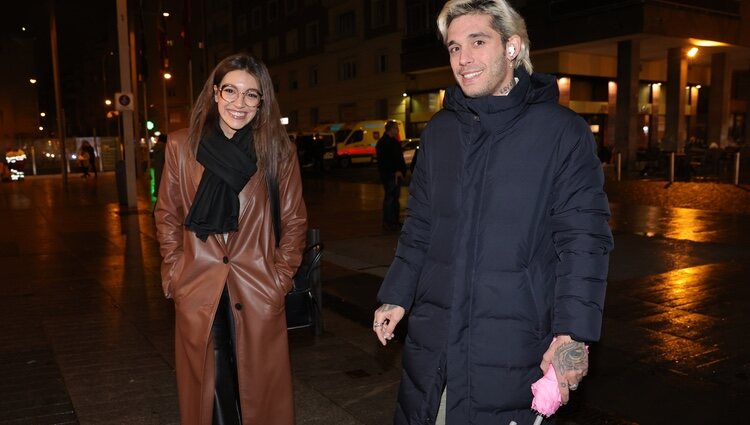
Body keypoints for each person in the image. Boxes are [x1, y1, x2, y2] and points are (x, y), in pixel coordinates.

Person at [372, 1, 614, 424]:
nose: (463, 59)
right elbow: (421, 226)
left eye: (477, 42)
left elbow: (583, 241)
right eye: (453, 47)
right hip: (434, 338)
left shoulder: (561, 132)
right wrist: (396, 293)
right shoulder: (440, 132)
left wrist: (571, 336)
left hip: (514, 342)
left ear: (512, 47)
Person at [154, 53, 307, 425]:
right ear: (215, 94)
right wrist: (175, 274)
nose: (240, 103)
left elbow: (295, 220)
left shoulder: (277, 149)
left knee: (257, 394)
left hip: (255, 286)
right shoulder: (180, 145)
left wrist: (279, 279)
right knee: (211, 390)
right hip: (197, 283)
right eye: (231, 91)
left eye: (251, 95)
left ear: (262, 101)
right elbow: (167, 215)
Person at [376, 120, 407, 231]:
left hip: (395, 175)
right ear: (390, 129)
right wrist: (395, 171)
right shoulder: (384, 143)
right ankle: (388, 222)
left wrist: (401, 171)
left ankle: (393, 221)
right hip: (390, 176)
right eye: (396, 128)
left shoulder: (393, 142)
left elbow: (399, 159)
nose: (397, 130)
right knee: (390, 198)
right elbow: (384, 161)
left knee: (394, 198)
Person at [151, 133, 167, 197]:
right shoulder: (165, 147)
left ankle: (157, 193)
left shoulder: (155, 147)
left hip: (157, 167)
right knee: (163, 182)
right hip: (163, 167)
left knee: (157, 180)